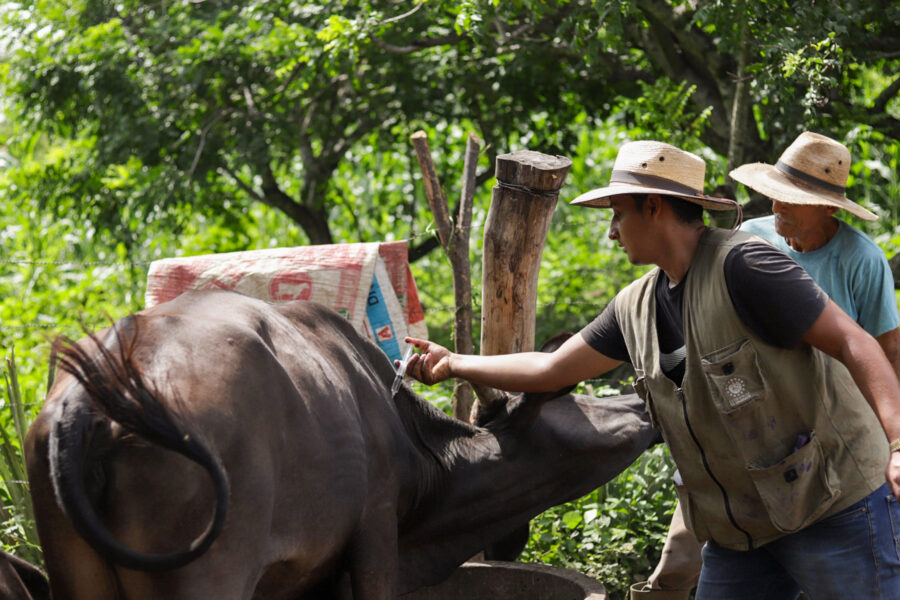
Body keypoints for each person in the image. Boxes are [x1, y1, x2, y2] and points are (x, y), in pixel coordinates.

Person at [403, 140, 900, 600]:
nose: (611, 231)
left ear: (654, 207)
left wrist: (898, 444)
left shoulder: (745, 265)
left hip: (834, 507)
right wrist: (455, 363)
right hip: (741, 532)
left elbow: (854, 341)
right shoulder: (634, 307)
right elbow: (552, 368)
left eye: (618, 214)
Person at [634, 131, 900, 599]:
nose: (777, 207)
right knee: (679, 559)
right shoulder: (748, 241)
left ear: (828, 209)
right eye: (774, 194)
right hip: (739, 443)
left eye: (793, 200)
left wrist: (891, 443)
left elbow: (883, 352)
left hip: (828, 442)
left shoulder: (861, 260)